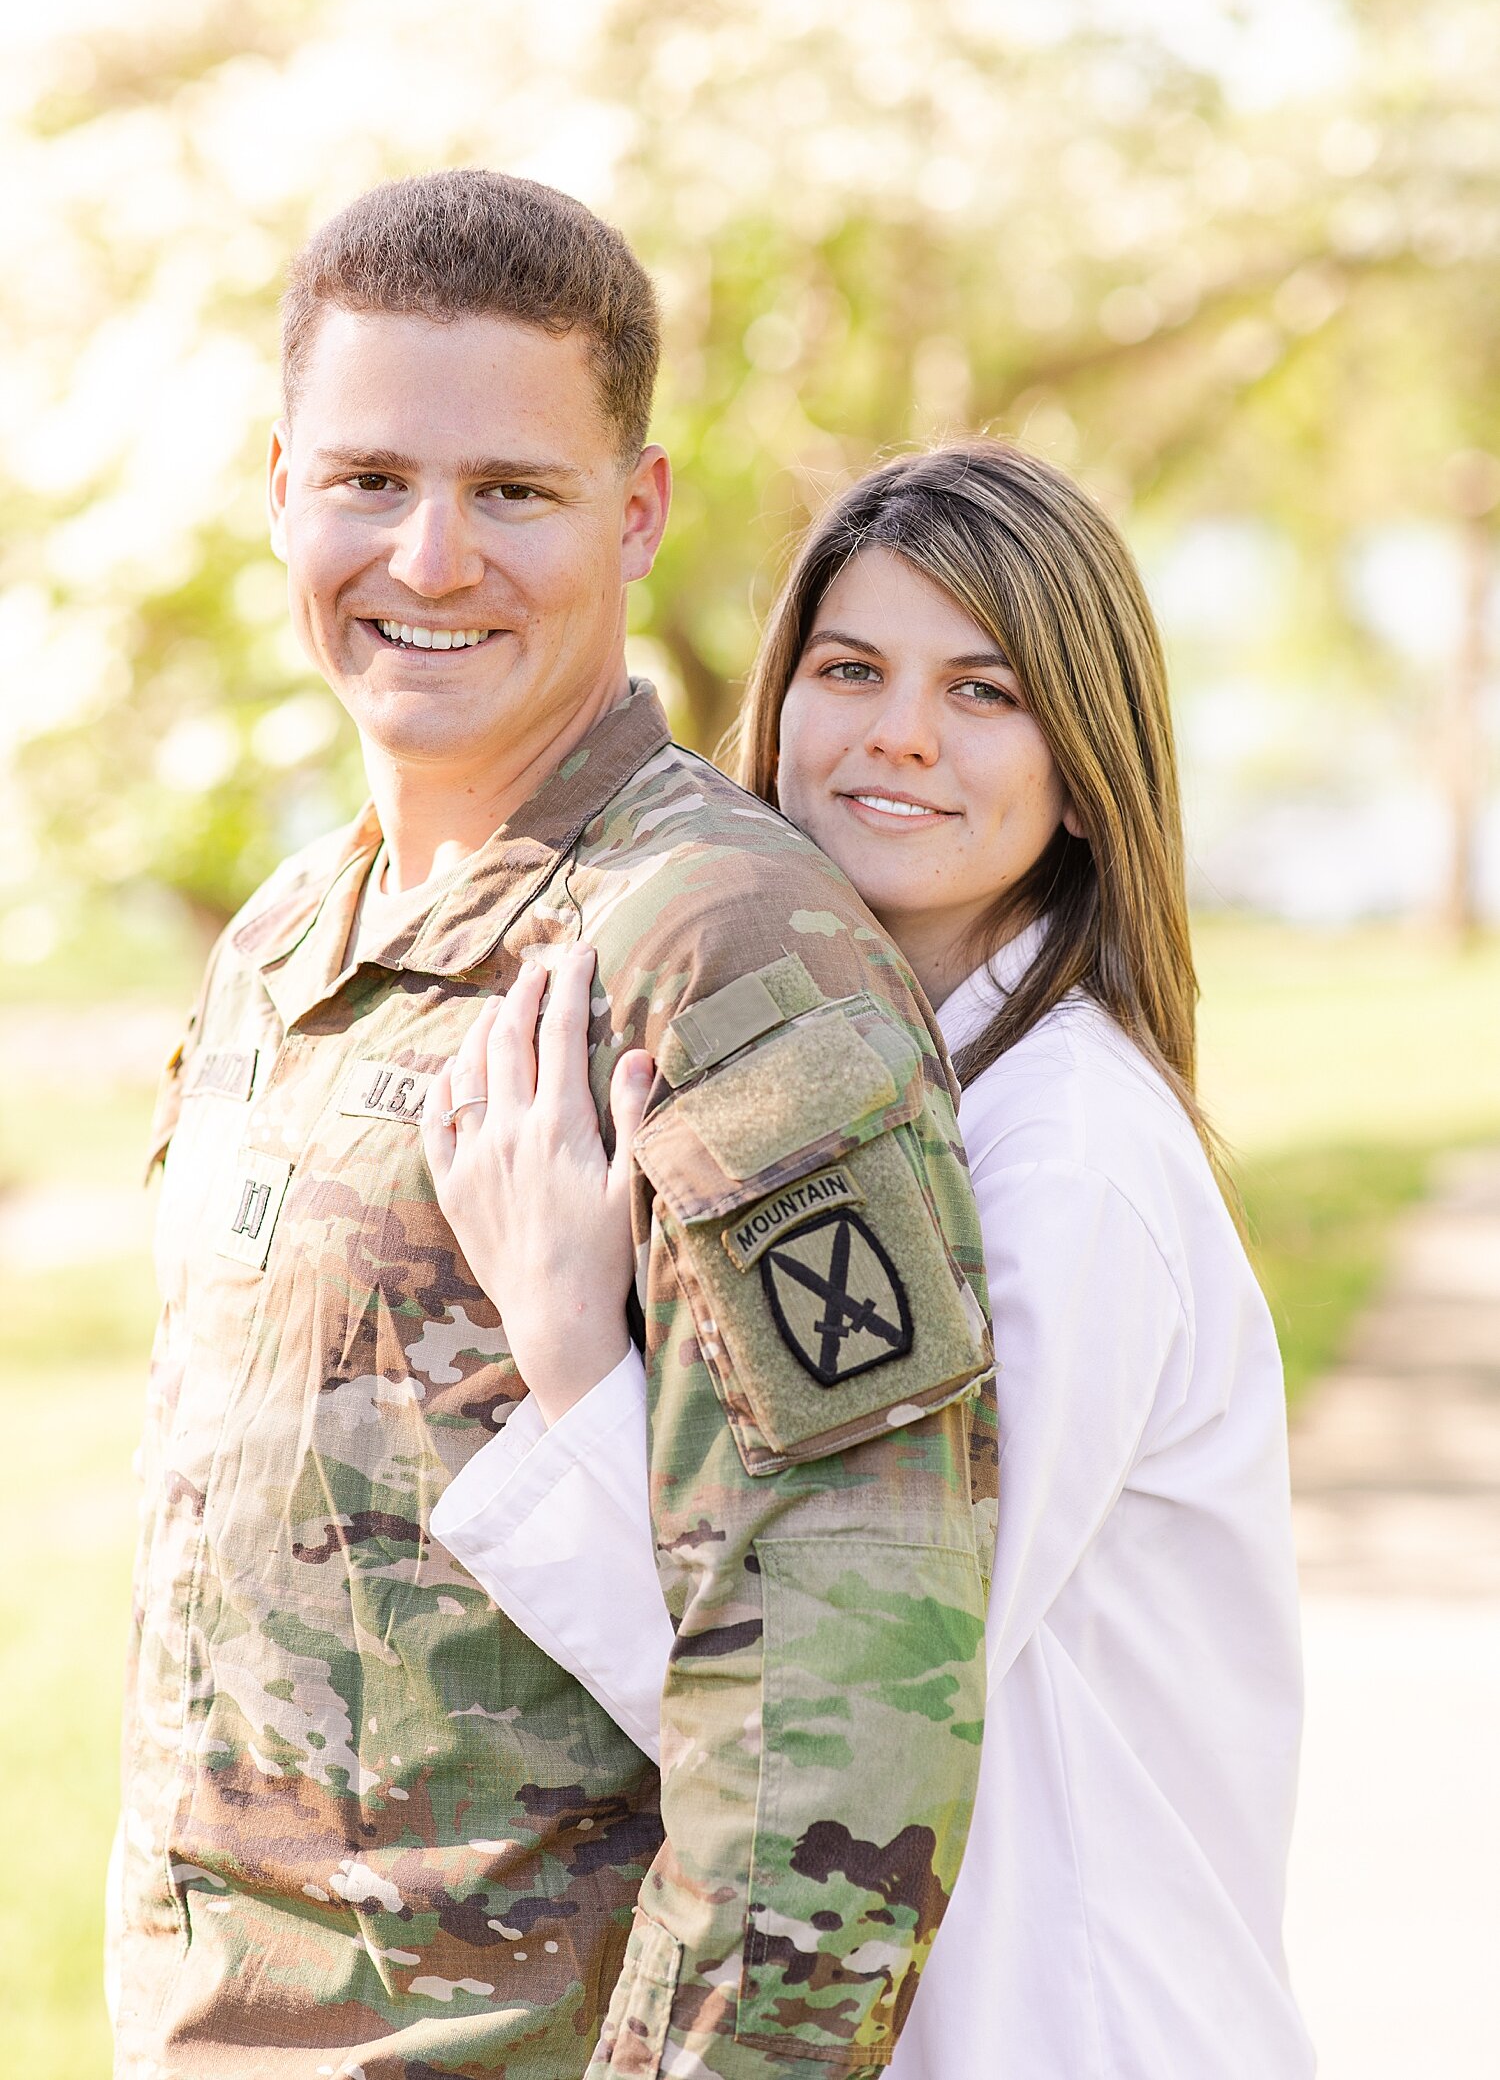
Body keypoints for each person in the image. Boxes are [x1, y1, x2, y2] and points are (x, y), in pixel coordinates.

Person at [113, 171, 998, 2080]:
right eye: (369, 480)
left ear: (638, 510)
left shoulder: (723, 952)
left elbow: (851, 1722)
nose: (430, 559)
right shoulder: (283, 943)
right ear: (280, 489)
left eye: (511, 492)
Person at [425, 440, 1317, 2079]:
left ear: (1084, 757)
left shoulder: (1071, 1162)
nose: (899, 731)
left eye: (984, 689)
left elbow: (854, 1701)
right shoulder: (864, 1091)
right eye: (852, 668)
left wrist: (566, 1343)